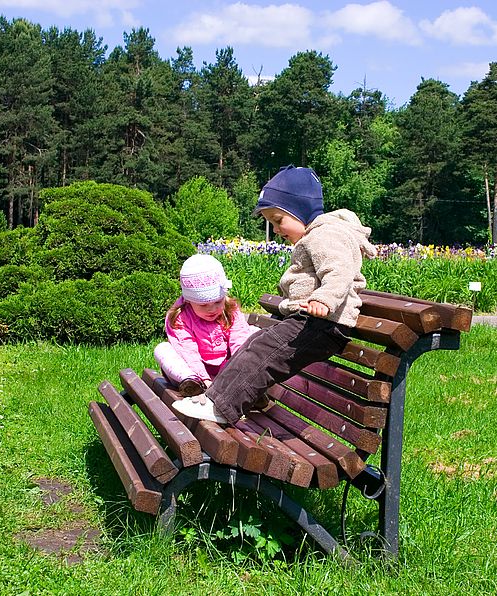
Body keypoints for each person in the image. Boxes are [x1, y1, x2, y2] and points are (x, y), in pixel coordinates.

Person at [172, 164, 378, 424]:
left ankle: (221, 407)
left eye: (279, 221)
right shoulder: (318, 235)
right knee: (254, 345)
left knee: (263, 353)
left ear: (300, 210)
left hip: (322, 324)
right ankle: (227, 397)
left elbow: (339, 270)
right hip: (312, 321)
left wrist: (324, 300)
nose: (277, 230)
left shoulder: (326, 235)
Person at [154, 254, 259, 397]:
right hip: (190, 369)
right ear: (189, 301)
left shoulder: (230, 310)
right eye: (203, 305)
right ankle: (193, 384)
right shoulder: (181, 317)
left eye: (217, 302)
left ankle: (245, 384)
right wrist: (204, 379)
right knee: (162, 349)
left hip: (226, 369)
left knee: (253, 332)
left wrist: (237, 369)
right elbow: (187, 351)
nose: (212, 309)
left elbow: (239, 340)